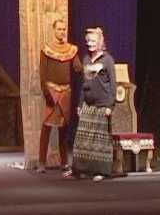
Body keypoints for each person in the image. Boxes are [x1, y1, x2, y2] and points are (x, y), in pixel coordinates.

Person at [64, 27, 118, 182]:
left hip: (102, 105)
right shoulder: (86, 59)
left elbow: (113, 85)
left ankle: (100, 171)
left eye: (93, 41)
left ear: (100, 42)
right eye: (88, 41)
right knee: (82, 139)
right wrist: (80, 104)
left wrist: (110, 106)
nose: (90, 44)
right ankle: (80, 169)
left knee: (100, 140)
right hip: (88, 104)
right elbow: (85, 84)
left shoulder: (107, 60)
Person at [37, 19, 82, 173]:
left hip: (66, 92)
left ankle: (64, 162)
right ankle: (41, 162)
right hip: (52, 91)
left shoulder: (70, 49)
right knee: (47, 127)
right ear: (54, 30)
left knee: (64, 127)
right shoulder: (46, 49)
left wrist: (87, 66)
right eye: (59, 29)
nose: (62, 32)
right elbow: (42, 73)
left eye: (64, 29)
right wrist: (46, 92)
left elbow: (77, 67)